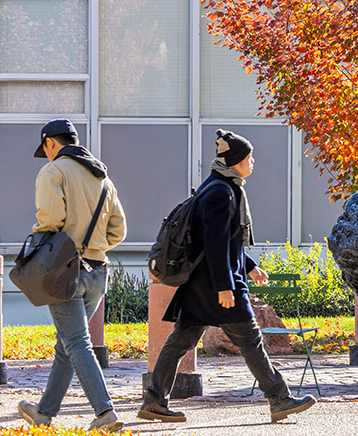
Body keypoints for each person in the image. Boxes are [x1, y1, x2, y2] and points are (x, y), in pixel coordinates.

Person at [138, 130, 316, 424]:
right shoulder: (221, 192)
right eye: (249, 157)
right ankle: (280, 399)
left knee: (181, 340)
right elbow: (215, 244)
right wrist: (225, 287)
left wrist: (249, 266)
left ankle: (154, 400)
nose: (253, 161)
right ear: (236, 161)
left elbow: (224, 242)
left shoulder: (219, 186)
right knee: (250, 341)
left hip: (202, 283)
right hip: (216, 285)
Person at [17, 119, 127, 433]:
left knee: (77, 342)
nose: (46, 155)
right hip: (97, 272)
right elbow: (119, 229)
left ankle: (105, 412)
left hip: (65, 271)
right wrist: (94, 245)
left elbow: (51, 219)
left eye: (46, 149)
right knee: (67, 343)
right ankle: (44, 413)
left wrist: (45, 241)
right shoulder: (102, 176)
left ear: (51, 142)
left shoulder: (54, 171)